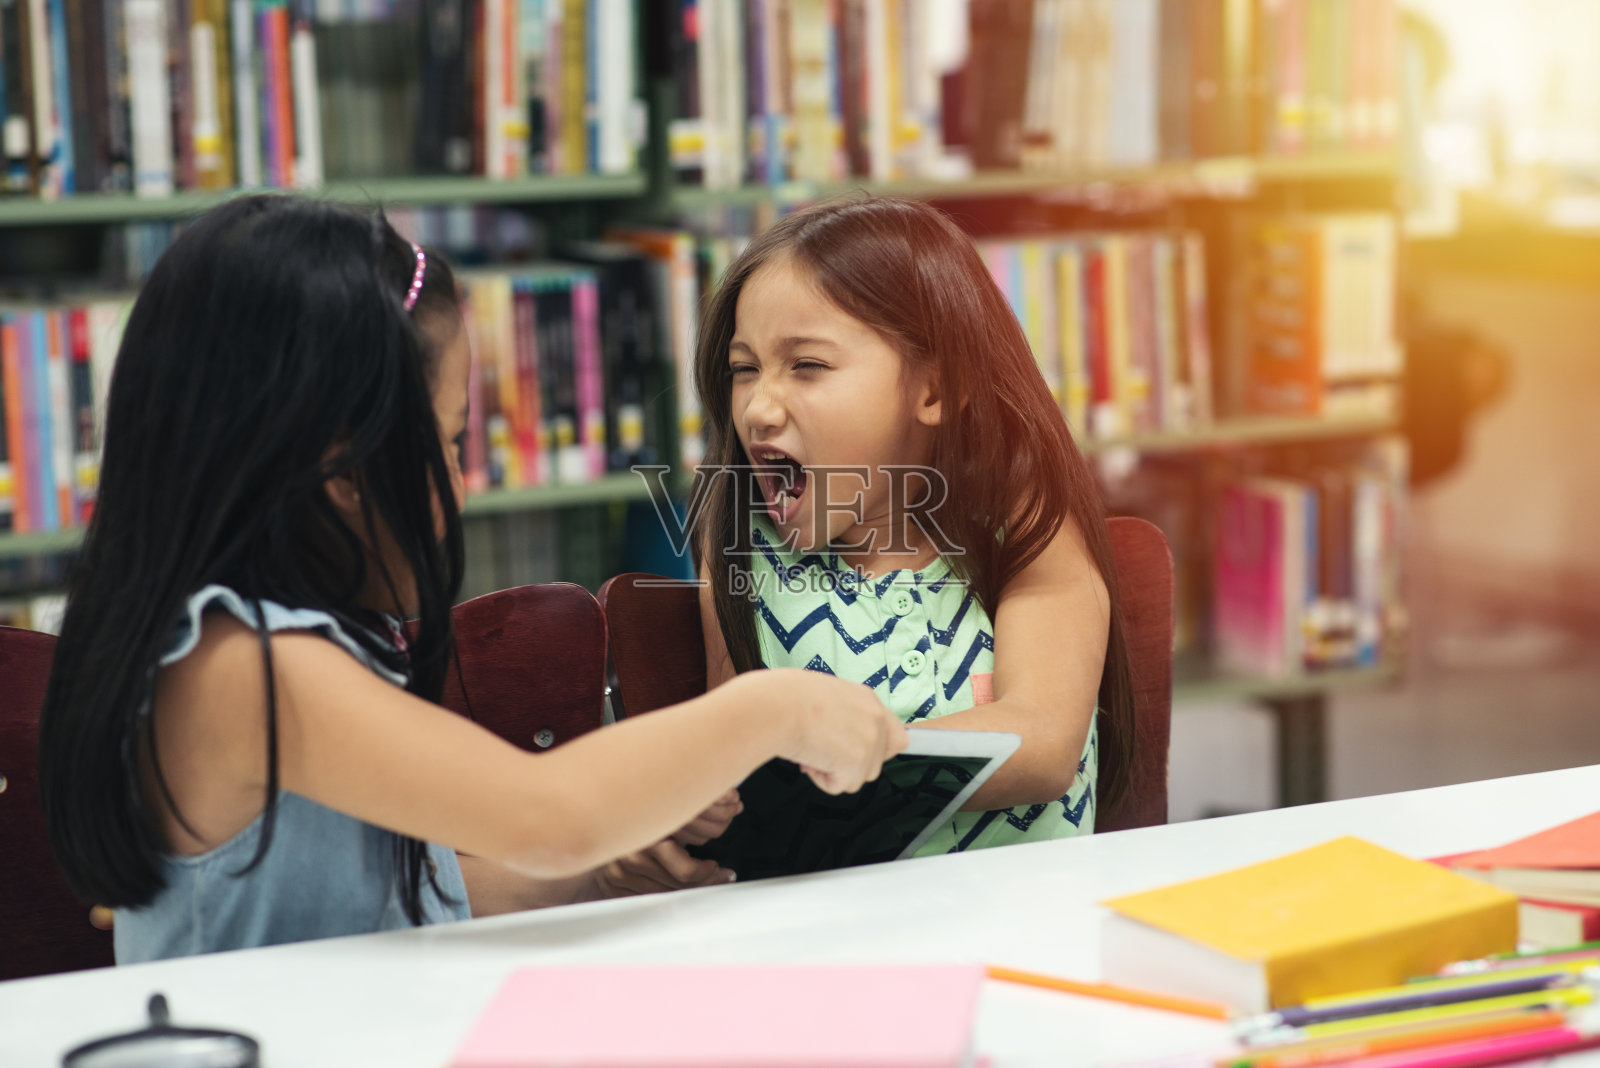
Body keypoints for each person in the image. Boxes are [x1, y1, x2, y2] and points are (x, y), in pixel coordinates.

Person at [37, 194, 905, 963]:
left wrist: (607, 870)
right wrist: (778, 708)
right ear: (341, 469)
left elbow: (394, 898)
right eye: (450, 446)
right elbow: (545, 813)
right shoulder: (245, 669)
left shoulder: (303, 642)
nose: (464, 483)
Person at [692, 195, 1133, 855]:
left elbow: (1041, 746)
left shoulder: (1028, 522)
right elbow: (730, 770)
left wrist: (829, 757)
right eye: (743, 369)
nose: (757, 407)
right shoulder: (741, 546)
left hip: (1034, 931)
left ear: (933, 389)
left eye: (806, 365)